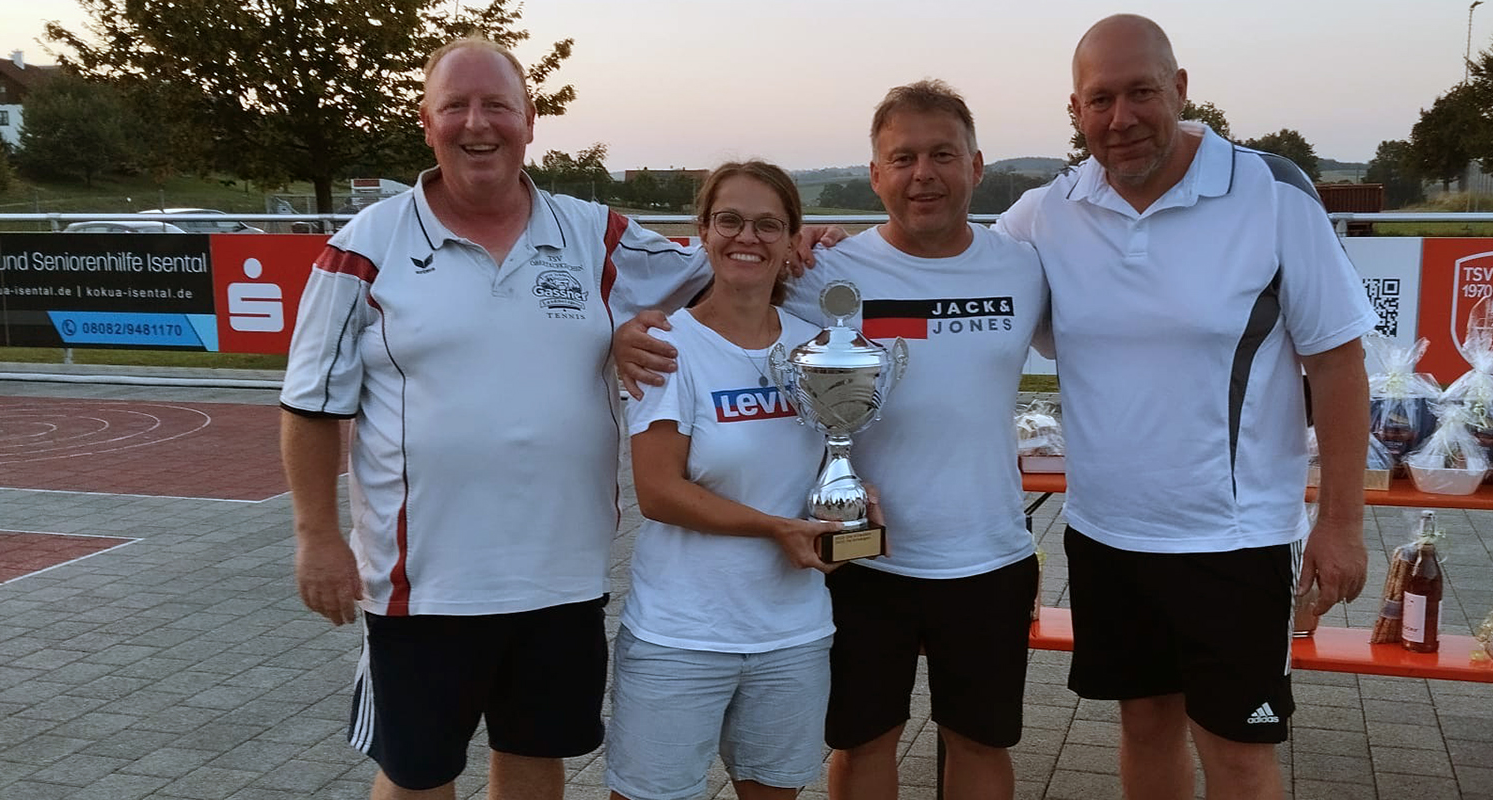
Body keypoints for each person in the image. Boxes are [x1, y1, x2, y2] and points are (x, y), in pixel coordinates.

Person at [279, 37, 717, 800]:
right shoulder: (365, 247)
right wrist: (316, 537)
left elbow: (724, 276)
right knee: (417, 776)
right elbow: (311, 406)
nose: (477, 123)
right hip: (423, 584)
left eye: (497, 106)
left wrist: (809, 248)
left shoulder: (594, 234)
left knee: (534, 759)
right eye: (455, 106)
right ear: (426, 123)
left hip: (562, 576)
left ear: (530, 120)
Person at [617, 80, 1047, 800]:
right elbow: (728, 295)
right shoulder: (825, 272)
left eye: (943, 154)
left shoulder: (1024, 266)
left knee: (980, 740)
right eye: (902, 158)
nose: (923, 174)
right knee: (861, 741)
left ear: (976, 166)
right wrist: (624, 334)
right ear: (876, 174)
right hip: (857, 558)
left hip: (989, 556)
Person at [993, 14, 1376, 800]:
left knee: (1236, 753)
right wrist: (823, 253)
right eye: (1100, 100)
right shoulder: (1049, 211)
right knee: (1143, 726)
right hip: (1105, 533)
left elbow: (1339, 364)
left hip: (1234, 540)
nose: (1121, 118)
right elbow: (945, 275)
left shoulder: (1271, 193)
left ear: (1180, 88)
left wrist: (1341, 523)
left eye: (1141, 93)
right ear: (1075, 110)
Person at [607, 160, 843, 800]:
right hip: (682, 632)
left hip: (792, 632)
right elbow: (659, 492)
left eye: (768, 224)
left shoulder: (816, 347)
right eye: (730, 220)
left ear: (791, 238)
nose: (748, 237)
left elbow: (832, 458)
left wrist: (855, 500)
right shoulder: (667, 344)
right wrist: (776, 528)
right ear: (704, 232)